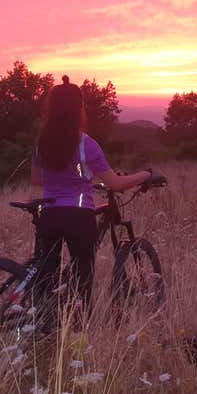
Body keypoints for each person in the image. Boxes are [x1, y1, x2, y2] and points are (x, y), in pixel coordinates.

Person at [30, 75, 156, 325]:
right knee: (81, 279)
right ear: (79, 109)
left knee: (46, 278)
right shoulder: (87, 144)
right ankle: (77, 333)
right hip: (78, 217)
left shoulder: (42, 143)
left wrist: (63, 180)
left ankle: (43, 326)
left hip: (50, 214)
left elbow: (37, 180)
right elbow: (115, 184)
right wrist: (147, 175)